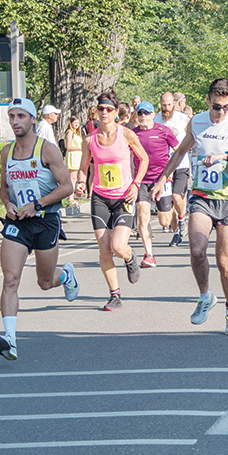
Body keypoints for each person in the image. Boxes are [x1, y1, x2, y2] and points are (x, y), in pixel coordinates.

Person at [152, 78, 228, 335]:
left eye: (226, 106)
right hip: (202, 197)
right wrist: (162, 179)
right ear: (207, 101)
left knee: (224, 261)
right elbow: (179, 152)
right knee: (197, 251)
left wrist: (226, 156)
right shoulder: (198, 121)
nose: (221, 112)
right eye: (216, 106)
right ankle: (205, 296)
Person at [0, 98, 79, 360]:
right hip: (18, 222)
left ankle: (64, 275)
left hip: (45, 220)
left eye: (21, 116)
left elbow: (67, 187)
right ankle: (10, 339)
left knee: (44, 282)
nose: (16, 121)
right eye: (12, 116)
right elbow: (4, 187)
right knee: (10, 279)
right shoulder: (7, 152)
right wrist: (7, 203)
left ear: (33, 120)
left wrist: (37, 204)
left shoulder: (47, 149)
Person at [75, 92, 149, 310]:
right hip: (99, 197)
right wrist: (81, 183)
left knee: (118, 246)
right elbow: (83, 168)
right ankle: (114, 295)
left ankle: (129, 257)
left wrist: (136, 184)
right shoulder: (89, 140)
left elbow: (143, 158)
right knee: (105, 249)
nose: (104, 113)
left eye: (109, 109)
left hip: (123, 197)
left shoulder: (126, 135)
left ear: (116, 112)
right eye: (101, 109)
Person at [130, 100, 179, 267]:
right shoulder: (132, 134)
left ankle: (173, 216)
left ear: (153, 115)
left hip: (161, 179)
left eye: (147, 113)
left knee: (164, 221)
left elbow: (178, 150)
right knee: (142, 216)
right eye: (140, 113)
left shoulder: (163, 131)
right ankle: (149, 254)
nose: (143, 116)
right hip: (141, 180)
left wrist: (170, 171)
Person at [155, 91, 192, 245]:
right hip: (163, 166)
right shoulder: (156, 119)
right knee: (165, 215)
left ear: (175, 104)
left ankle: (183, 220)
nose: (167, 108)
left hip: (181, 164)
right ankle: (176, 232)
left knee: (177, 196)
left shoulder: (183, 119)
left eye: (169, 105)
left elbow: (192, 137)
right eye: (164, 105)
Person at [64, 116, 84, 204]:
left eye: (78, 123)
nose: (76, 124)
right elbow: (68, 146)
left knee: (76, 177)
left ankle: (73, 195)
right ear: (70, 123)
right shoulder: (70, 132)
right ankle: (70, 197)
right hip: (73, 156)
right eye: (74, 122)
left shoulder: (77, 133)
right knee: (72, 177)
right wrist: (80, 148)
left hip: (78, 156)